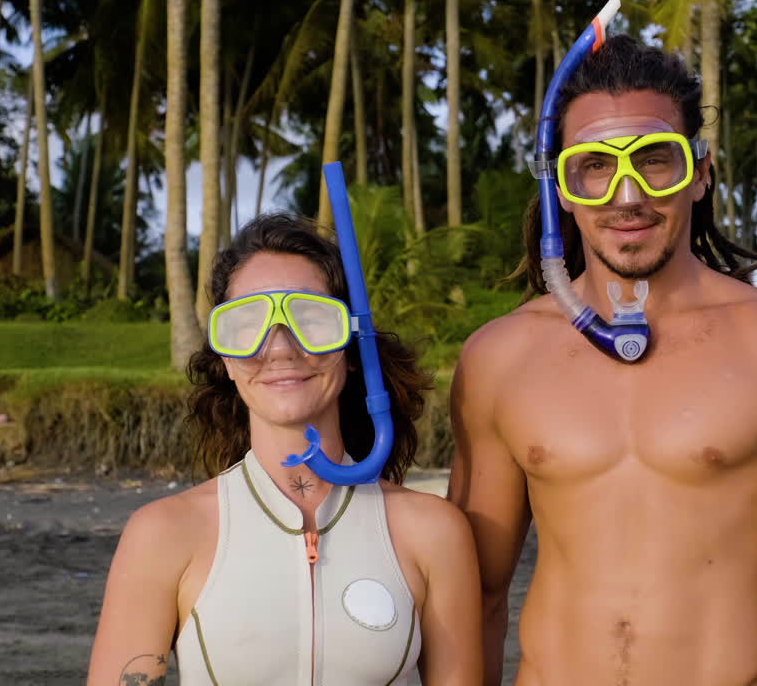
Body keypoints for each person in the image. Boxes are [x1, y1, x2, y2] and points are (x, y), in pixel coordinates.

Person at [447, 33, 757, 685]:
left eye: (654, 160)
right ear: (563, 188)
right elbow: (476, 600)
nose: (626, 195)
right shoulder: (500, 358)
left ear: (701, 173)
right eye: (596, 166)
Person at [87, 214, 481, 685]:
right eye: (247, 325)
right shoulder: (163, 534)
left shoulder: (433, 533)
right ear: (227, 361)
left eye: (311, 320)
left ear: (352, 349)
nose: (279, 349)